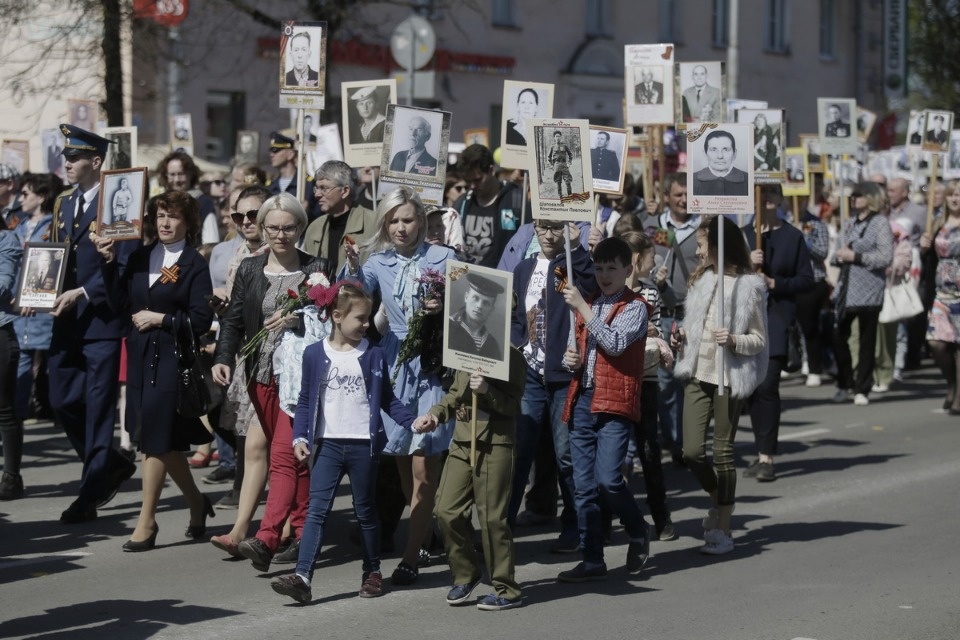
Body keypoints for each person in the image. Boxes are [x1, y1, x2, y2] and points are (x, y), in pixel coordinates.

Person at [269, 282, 434, 604]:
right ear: (336, 316)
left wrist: (412, 422)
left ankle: (372, 571)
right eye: (359, 318)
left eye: (367, 317)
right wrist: (300, 436)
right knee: (317, 511)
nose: (365, 324)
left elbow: (388, 400)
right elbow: (305, 402)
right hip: (327, 444)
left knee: (365, 511)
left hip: (363, 445)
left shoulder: (372, 354)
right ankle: (303, 576)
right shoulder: (315, 354)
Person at [343, 186, 456, 586]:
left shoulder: (445, 258)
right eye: (393, 220)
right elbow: (355, 299)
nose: (401, 227)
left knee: (426, 464)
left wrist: (443, 308)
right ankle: (429, 533)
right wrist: (352, 267)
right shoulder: (379, 262)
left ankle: (410, 556)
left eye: (408, 219)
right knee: (405, 461)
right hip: (395, 362)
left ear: (422, 222)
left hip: (432, 362)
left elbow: (470, 308)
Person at [212, 192, 329, 571]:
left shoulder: (317, 269)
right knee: (295, 459)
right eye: (273, 227)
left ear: (300, 228)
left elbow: (331, 320)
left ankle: (265, 537)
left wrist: (302, 319)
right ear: (262, 228)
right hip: (258, 374)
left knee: (282, 454)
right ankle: (302, 530)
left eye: (288, 227)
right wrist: (223, 358)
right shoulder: (250, 268)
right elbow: (232, 320)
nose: (280, 235)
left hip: (299, 379)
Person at [94, 191, 215, 550]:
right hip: (139, 355)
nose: (165, 222)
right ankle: (196, 502)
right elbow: (119, 304)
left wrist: (161, 318)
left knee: (153, 440)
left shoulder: (194, 263)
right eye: (160, 215)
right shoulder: (140, 256)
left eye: (173, 216)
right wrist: (107, 261)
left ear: (188, 222)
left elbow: (201, 319)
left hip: (171, 358)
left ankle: (146, 522)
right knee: (160, 440)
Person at [49, 124, 138, 524]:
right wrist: (40, 289)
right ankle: (111, 463)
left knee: (100, 409)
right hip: (67, 320)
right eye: (66, 157)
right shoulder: (65, 203)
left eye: (75, 158)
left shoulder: (119, 202)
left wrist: (83, 293)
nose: (67, 163)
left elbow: (122, 265)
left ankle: (90, 493)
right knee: (62, 399)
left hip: (101, 319)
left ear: (96, 162)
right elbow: (56, 257)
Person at [556, 237, 652, 582]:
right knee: (583, 488)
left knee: (608, 480)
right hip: (584, 399)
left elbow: (613, 343)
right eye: (599, 268)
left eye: (612, 268)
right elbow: (582, 353)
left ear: (629, 270)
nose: (604, 274)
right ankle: (592, 557)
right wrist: (573, 360)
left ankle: (637, 527)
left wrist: (582, 307)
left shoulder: (635, 306)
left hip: (614, 405)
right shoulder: (592, 302)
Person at [672, 216, 768, 555]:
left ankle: (723, 526)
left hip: (729, 377)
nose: (697, 253)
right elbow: (690, 327)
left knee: (723, 453)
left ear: (717, 246)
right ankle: (720, 499)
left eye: (701, 246)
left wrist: (735, 340)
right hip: (698, 374)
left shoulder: (749, 287)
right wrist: (680, 336)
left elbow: (759, 340)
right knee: (692, 452)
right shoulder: (701, 281)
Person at [508, 220, 593, 552]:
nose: (549, 235)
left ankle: (574, 526)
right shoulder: (524, 268)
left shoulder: (565, 266)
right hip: (529, 373)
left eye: (556, 228)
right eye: (543, 228)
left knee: (566, 456)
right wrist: (518, 344)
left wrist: (578, 250)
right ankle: (502, 528)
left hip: (561, 376)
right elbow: (517, 313)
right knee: (519, 453)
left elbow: (586, 287)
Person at [426, 344, 527, 611]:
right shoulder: (463, 350)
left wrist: (487, 391)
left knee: (493, 519)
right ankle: (466, 573)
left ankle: (507, 589)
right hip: (462, 442)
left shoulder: (512, 356)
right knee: (445, 511)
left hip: (495, 443)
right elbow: (455, 395)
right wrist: (436, 415)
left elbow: (514, 405)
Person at [742, 186, 814, 481]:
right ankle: (760, 447)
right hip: (745, 321)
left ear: (781, 199)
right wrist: (748, 263)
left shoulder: (792, 236)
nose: (766, 197)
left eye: (771, 192)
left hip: (775, 319)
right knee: (751, 389)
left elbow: (806, 280)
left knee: (768, 384)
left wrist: (774, 283)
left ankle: (766, 457)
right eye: (760, 192)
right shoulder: (743, 235)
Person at [619, 230, 675, 539]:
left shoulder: (649, 292)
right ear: (637, 259)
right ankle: (613, 517)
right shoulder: (608, 292)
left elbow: (655, 329)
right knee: (615, 454)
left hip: (646, 379)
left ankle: (661, 515)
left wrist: (653, 331)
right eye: (651, 257)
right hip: (616, 379)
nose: (654, 263)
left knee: (649, 450)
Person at [638, 172, 697, 464]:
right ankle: (672, 440)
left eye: (688, 195)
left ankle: (687, 441)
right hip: (660, 315)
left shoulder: (701, 227)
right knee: (664, 383)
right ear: (666, 197)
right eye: (678, 195)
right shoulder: (652, 227)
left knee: (688, 381)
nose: (684, 200)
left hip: (690, 315)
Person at [831, 182, 894, 406]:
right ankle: (845, 381)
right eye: (853, 195)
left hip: (869, 290)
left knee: (867, 341)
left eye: (859, 195)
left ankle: (862, 387)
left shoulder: (880, 223)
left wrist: (856, 257)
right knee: (838, 335)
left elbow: (886, 257)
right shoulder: (848, 224)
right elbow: (837, 252)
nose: (854, 199)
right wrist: (838, 256)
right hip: (846, 289)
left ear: (871, 197)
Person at [12, 173, 64, 428]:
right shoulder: (18, 224)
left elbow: (50, 266)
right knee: (20, 362)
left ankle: (61, 412)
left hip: (42, 305)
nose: (21, 199)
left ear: (41, 197)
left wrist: (36, 296)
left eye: (26, 194)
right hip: (17, 305)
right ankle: (16, 419)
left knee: (52, 361)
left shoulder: (53, 226)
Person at [922, 180, 960, 413]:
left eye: (959, 195)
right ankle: (951, 383)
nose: (955, 198)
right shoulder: (938, 223)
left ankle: (958, 397)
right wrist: (924, 247)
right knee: (936, 342)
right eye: (951, 195)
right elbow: (929, 260)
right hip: (942, 293)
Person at [302, 160, 378, 275]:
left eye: (324, 188)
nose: (317, 194)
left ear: (345, 191)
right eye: (316, 188)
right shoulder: (314, 228)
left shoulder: (374, 224)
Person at [454, 144, 523, 268]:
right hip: (465, 277)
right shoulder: (462, 203)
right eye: (468, 181)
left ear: (491, 170)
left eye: (477, 179)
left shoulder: (515, 199)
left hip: (501, 278)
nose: (472, 186)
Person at [795, 199, 831, 388]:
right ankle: (798, 360)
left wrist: (803, 240)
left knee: (809, 327)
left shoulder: (817, 224)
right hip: (788, 281)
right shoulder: (781, 221)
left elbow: (823, 252)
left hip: (812, 280)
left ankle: (815, 366)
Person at [0, 197, 22, 500]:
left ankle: (11, 476)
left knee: (3, 409)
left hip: (1, 330)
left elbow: (4, 284)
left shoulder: (7, 240)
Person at [447, 272, 504, 358]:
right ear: (466, 297)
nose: (479, 306)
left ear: (492, 309)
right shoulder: (448, 326)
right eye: (475, 298)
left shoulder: (492, 344)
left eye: (486, 303)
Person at [693, 129, 749, 196]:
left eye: (726, 150)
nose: (720, 156)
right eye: (713, 150)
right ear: (705, 154)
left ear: (734, 154)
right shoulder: (692, 180)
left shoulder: (748, 179)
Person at [547, 130, 574, 198]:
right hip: (556, 165)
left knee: (568, 181)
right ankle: (560, 196)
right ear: (554, 137)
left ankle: (570, 196)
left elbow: (570, 154)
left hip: (564, 164)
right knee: (558, 182)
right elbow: (549, 157)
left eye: (559, 136)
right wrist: (551, 165)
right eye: (556, 136)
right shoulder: (552, 147)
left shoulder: (564, 145)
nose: (558, 137)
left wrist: (569, 162)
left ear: (561, 137)